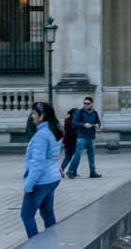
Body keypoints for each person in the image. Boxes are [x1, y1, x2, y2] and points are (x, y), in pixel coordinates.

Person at [22, 102, 62, 237]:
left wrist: (28, 185)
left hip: (41, 180)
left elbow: (38, 164)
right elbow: (51, 156)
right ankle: (51, 241)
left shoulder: (41, 136)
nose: (32, 116)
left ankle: (35, 245)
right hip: (51, 178)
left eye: (34, 113)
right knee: (47, 212)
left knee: (26, 214)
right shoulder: (53, 131)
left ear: (42, 116)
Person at [68, 95, 101, 178]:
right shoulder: (80, 112)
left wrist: (97, 125)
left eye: (88, 103)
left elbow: (98, 122)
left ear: (92, 104)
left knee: (91, 155)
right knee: (77, 155)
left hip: (91, 136)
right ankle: (71, 171)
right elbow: (74, 123)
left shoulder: (95, 113)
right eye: (84, 103)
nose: (86, 105)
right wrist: (83, 125)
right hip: (82, 136)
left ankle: (92, 172)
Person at [58, 106, 79, 177]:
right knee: (75, 157)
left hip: (67, 141)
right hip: (73, 141)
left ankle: (62, 169)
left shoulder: (67, 120)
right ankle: (72, 171)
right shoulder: (74, 121)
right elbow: (74, 131)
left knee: (67, 157)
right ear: (73, 114)